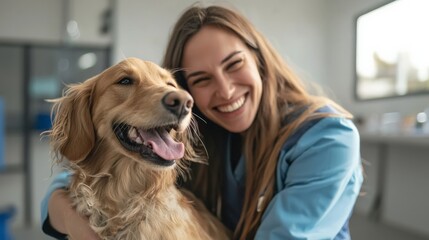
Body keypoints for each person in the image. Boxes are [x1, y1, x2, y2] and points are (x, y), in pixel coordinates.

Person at [41, 4, 363, 240]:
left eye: (234, 63)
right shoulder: (189, 136)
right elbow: (70, 181)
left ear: (260, 60)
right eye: (201, 79)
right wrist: (75, 222)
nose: (225, 90)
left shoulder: (328, 137)